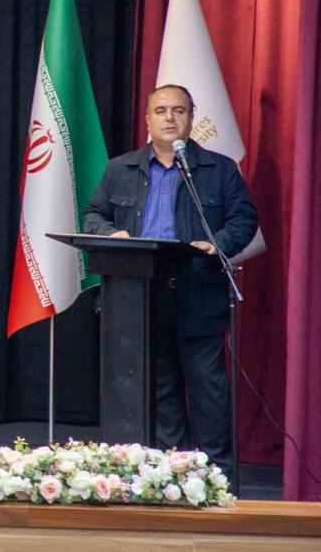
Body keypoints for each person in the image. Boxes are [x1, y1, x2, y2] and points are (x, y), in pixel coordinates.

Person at [83, 84, 257, 475]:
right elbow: (94, 214)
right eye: (160, 111)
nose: (169, 118)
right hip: (140, 298)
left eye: (178, 110)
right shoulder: (120, 169)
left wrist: (217, 243)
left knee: (208, 390)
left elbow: (244, 219)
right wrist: (111, 233)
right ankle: (173, 474)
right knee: (161, 391)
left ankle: (215, 475)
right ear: (147, 119)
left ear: (191, 118)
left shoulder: (218, 169)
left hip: (198, 294)